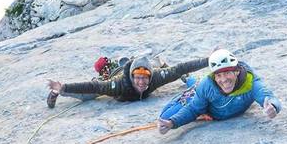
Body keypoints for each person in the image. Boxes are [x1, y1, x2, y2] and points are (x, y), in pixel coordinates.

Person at [157, 49, 282, 135]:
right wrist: (172, 122)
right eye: (219, 75)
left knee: (197, 85)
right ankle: (187, 78)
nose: (223, 79)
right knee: (165, 117)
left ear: (237, 71)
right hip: (203, 103)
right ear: (214, 76)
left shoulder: (251, 83)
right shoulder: (207, 85)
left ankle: (187, 78)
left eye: (227, 73)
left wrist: (273, 107)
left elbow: (268, 97)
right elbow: (194, 109)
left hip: (210, 103)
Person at [47, 55, 208, 108]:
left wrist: (210, 60)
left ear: (150, 77)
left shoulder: (156, 78)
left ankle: (144, 62)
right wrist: (64, 87)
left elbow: (180, 68)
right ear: (132, 77)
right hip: (115, 81)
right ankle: (58, 92)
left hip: (130, 69)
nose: (141, 83)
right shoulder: (118, 85)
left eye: (145, 78)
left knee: (173, 72)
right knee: (91, 94)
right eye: (137, 78)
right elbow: (93, 85)